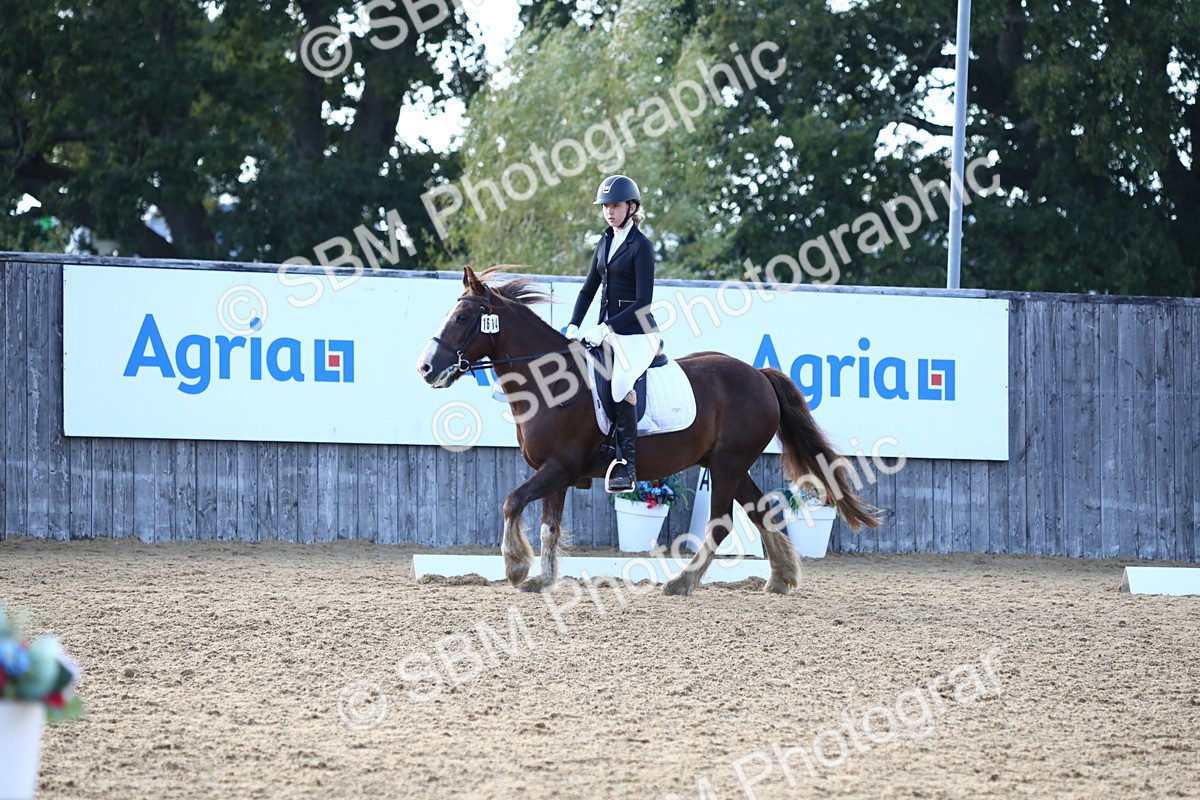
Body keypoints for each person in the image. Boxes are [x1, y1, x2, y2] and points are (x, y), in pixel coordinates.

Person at [565, 175, 660, 493]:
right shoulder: (604, 242)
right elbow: (588, 288)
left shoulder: (642, 247)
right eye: (606, 206)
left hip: (637, 335)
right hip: (606, 333)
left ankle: (626, 466)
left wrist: (606, 326)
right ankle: (585, 458)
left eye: (616, 206)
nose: (609, 211)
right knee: (581, 376)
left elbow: (642, 303)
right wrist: (574, 325)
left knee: (620, 384)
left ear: (631, 207)